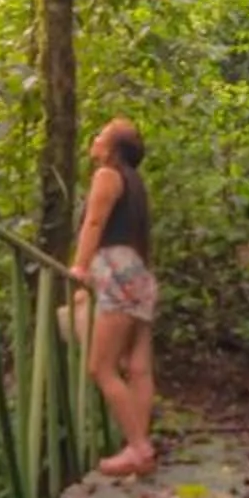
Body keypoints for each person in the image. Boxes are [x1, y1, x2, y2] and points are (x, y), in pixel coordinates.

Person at [68, 116, 159, 477]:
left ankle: (138, 447)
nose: (95, 137)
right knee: (137, 368)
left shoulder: (108, 175)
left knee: (100, 367)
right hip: (139, 271)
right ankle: (140, 446)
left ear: (112, 148)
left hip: (116, 270)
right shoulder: (136, 185)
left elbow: (94, 222)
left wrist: (79, 268)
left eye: (101, 133)